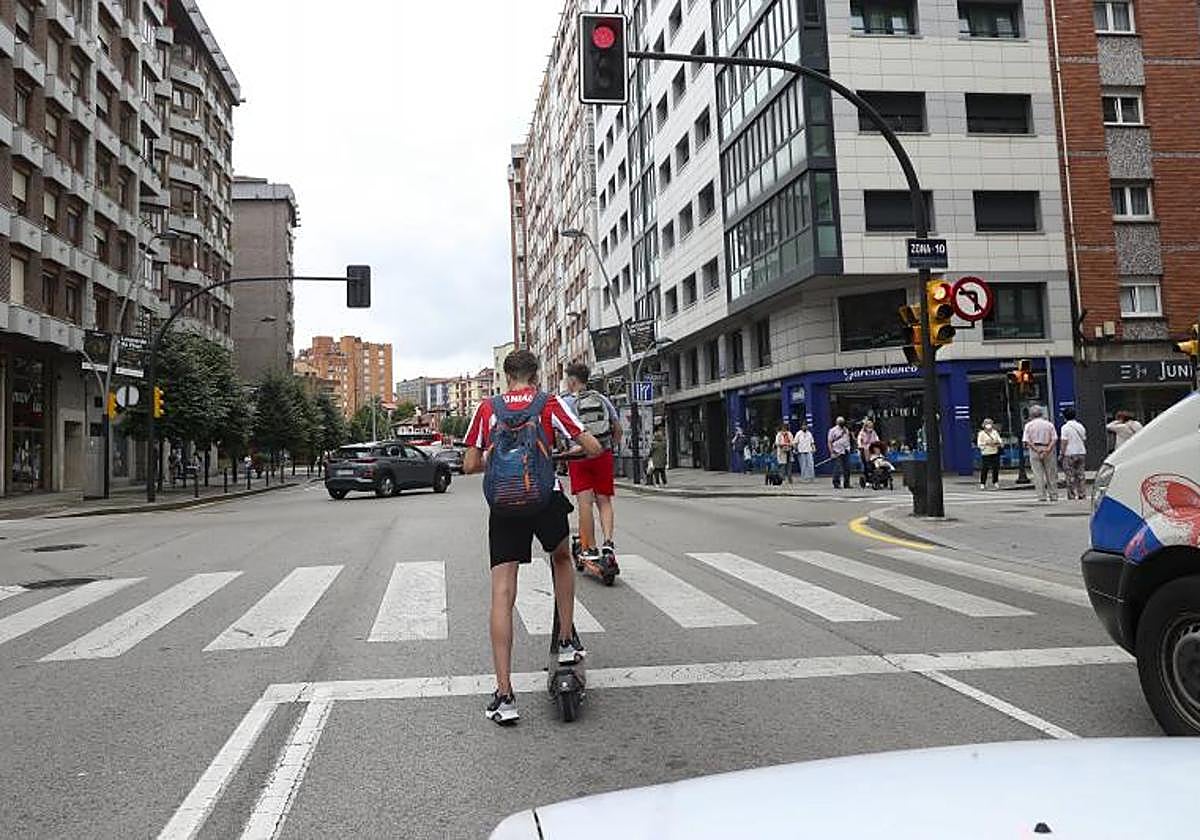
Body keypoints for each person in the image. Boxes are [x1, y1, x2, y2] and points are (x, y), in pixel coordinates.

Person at [464, 349, 603, 726]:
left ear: (506, 376)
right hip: (544, 497)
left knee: (503, 592)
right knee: (561, 557)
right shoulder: (549, 403)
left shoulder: (488, 408)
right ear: (536, 375)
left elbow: (470, 464)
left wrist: (496, 455)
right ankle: (565, 642)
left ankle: (505, 695)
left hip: (505, 506)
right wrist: (560, 453)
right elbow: (593, 447)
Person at [561, 361, 623, 567]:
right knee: (604, 501)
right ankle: (608, 544)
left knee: (585, 503)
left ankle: (589, 547)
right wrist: (608, 447)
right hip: (602, 455)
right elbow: (617, 428)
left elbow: (562, 432)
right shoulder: (602, 399)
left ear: (572, 380)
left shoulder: (566, 403)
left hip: (578, 457)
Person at [1022, 405, 1059, 503]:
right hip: (1048, 448)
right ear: (1041, 413)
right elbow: (1054, 438)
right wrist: (1047, 450)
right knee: (1051, 473)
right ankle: (1053, 494)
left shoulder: (1028, 425)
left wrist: (1037, 450)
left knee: (1038, 474)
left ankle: (1041, 495)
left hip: (1035, 450)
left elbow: (1027, 440)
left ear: (1031, 414)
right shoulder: (1049, 424)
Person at [1060, 407, 1088, 501]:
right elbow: (1084, 439)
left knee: (1070, 475)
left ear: (1065, 417)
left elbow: (1064, 441)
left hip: (1069, 453)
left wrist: (1061, 453)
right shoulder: (1080, 426)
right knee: (1080, 475)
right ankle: (1082, 494)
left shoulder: (1065, 427)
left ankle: (1072, 495)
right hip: (1081, 452)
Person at [827, 416, 853, 490]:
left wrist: (849, 447)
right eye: (840, 421)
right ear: (837, 422)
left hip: (846, 450)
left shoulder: (846, 430)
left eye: (842, 421)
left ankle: (846, 483)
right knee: (837, 468)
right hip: (837, 451)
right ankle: (836, 483)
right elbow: (829, 442)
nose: (841, 423)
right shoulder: (832, 430)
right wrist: (831, 452)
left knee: (847, 468)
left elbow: (847, 439)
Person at [976, 418, 1003, 490]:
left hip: (995, 452)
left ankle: (995, 482)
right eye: (987, 424)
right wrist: (987, 443)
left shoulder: (995, 432)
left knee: (995, 468)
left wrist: (996, 443)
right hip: (986, 453)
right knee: (985, 468)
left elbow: (1000, 441)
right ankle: (983, 483)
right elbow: (979, 444)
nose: (989, 425)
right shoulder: (981, 433)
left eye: (990, 423)